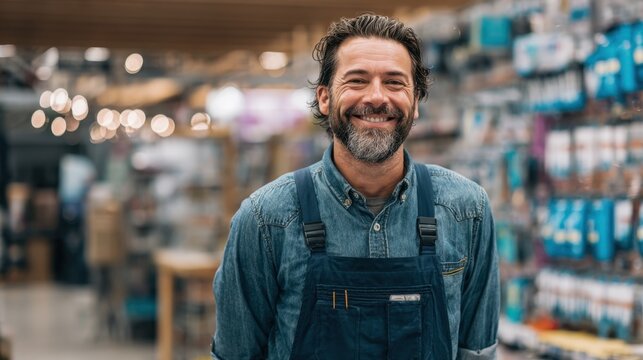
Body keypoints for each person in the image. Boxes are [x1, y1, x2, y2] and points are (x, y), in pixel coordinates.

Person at [211, 13, 499, 360]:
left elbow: (477, 352)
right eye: (357, 81)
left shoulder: (466, 210)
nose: (377, 97)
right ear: (324, 98)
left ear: (416, 103)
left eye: (395, 82)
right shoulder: (265, 219)